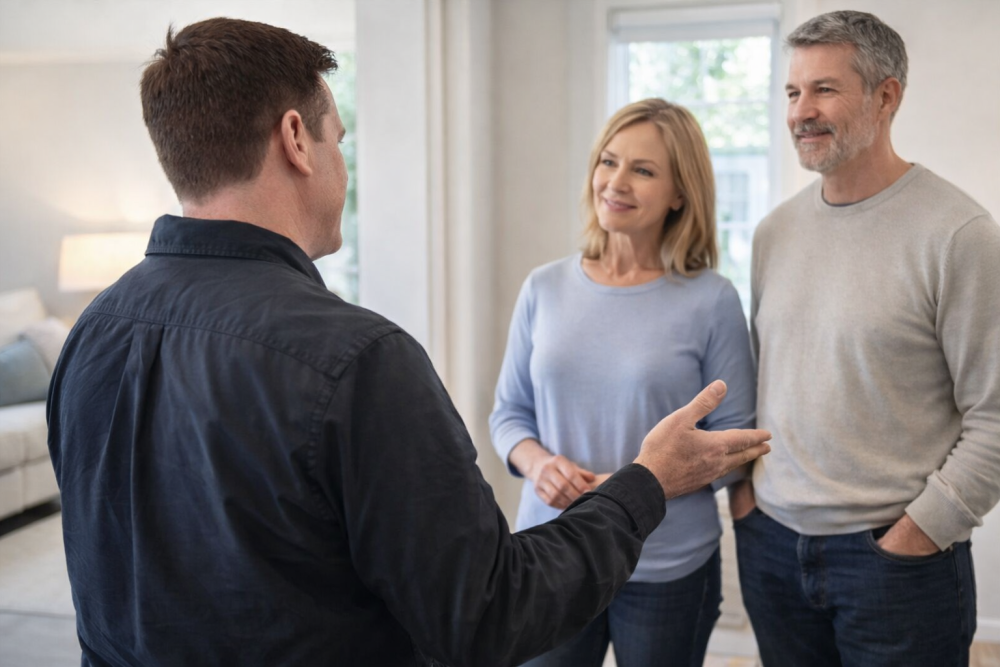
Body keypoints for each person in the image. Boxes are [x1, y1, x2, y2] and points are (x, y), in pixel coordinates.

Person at [45, 18, 772, 667]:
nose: (343, 163)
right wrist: (642, 481)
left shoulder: (91, 334)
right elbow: (485, 616)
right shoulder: (356, 359)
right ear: (297, 140)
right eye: (340, 139)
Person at [733, 10, 1000, 666]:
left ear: (887, 96)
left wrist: (917, 533)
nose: (801, 111)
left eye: (825, 89)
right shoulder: (773, 234)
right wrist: (744, 501)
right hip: (772, 546)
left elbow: (994, 416)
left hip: (896, 562)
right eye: (793, 93)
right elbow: (765, 382)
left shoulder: (959, 234)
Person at [490, 98, 756, 667]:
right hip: (551, 555)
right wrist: (539, 464)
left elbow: (737, 444)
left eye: (643, 170)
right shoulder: (544, 287)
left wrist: (632, 487)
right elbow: (508, 414)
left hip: (666, 565)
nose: (616, 181)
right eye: (608, 161)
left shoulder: (712, 300)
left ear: (680, 193)